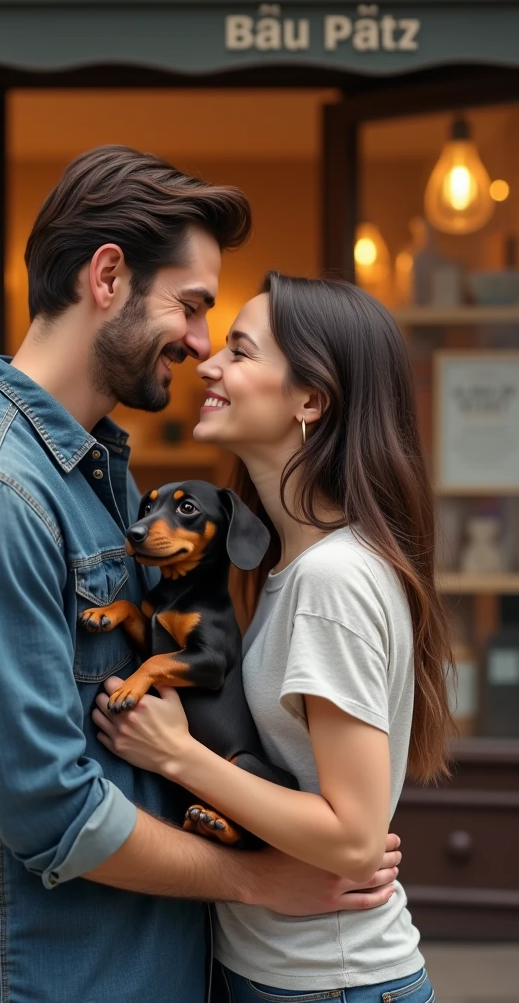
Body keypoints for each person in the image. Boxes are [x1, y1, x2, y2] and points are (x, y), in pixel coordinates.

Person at [0, 151, 401, 1003]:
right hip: (54, 982)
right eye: (193, 308)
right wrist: (259, 880)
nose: (200, 346)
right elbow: (50, 811)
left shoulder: (100, 477)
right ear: (109, 277)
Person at [94, 272, 452, 1003]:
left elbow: (352, 839)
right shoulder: (290, 569)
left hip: (334, 983)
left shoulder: (333, 580)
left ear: (311, 400)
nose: (210, 364)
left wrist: (178, 756)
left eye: (241, 351)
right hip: (286, 973)